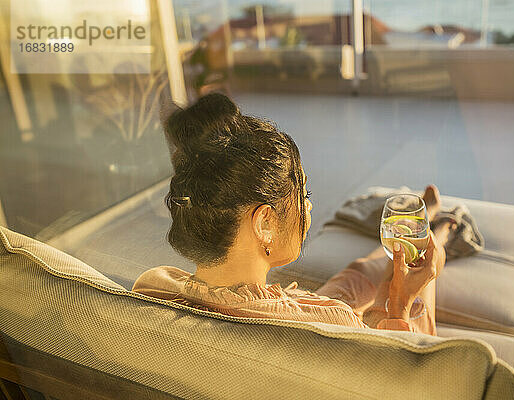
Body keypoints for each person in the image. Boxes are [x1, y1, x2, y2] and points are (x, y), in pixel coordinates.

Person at [132, 93, 456, 335]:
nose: (309, 207)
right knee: (412, 276)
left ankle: (407, 240)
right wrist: (400, 305)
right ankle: (428, 235)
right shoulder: (328, 323)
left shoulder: (154, 287)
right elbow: (400, 369)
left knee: (354, 277)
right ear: (266, 223)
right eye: (304, 195)